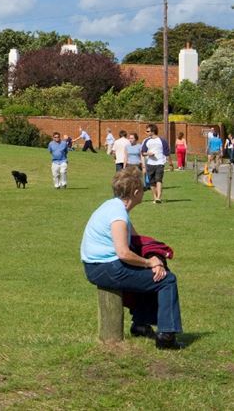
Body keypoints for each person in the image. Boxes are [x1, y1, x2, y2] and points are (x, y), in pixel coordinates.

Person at [80, 167, 183, 350]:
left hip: (100, 266)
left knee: (152, 276)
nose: (143, 192)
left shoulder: (114, 206)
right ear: (136, 193)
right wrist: (149, 262)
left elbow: (136, 239)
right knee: (167, 280)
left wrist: (154, 256)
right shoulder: (118, 215)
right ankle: (166, 336)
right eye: (142, 189)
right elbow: (124, 253)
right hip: (104, 268)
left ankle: (141, 325)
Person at [141, 124, 168, 204]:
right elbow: (143, 153)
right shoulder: (146, 141)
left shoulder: (162, 140)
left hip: (160, 163)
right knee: (152, 182)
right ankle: (155, 197)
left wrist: (170, 163)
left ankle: (159, 197)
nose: (146, 132)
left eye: (148, 131)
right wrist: (148, 154)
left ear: (153, 131)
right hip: (150, 163)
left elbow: (167, 152)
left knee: (158, 180)